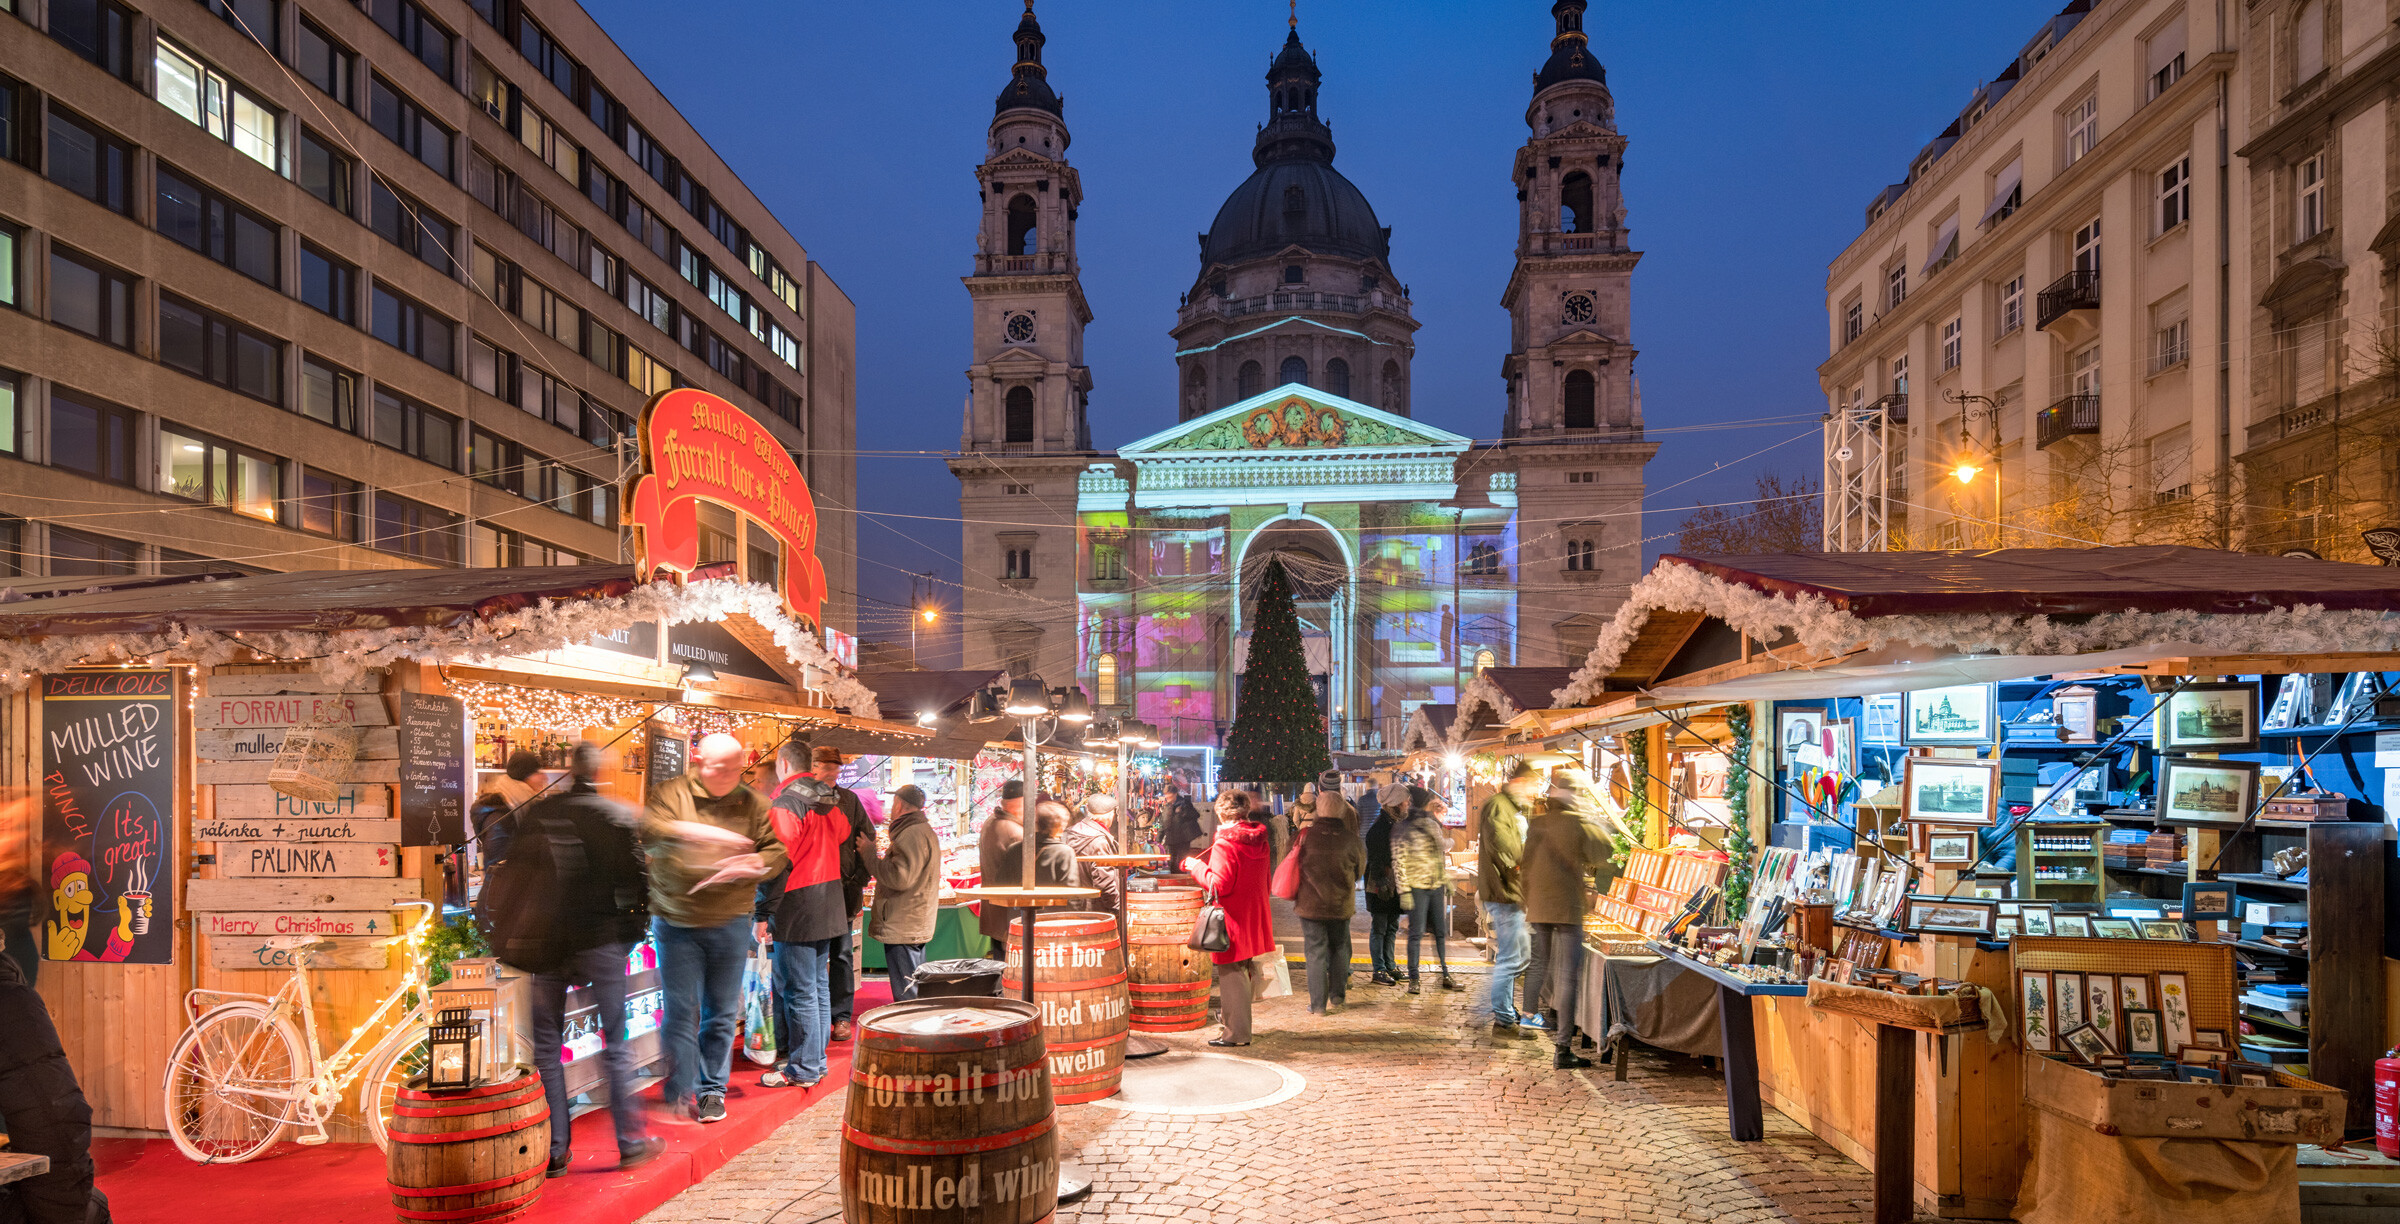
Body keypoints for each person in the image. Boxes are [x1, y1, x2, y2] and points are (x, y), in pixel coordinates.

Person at [526, 744, 663, 1173]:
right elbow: (639, 882)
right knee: (615, 1043)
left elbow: (511, 875)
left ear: (567, 770)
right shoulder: (615, 816)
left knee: (547, 1050)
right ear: (599, 771)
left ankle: (555, 1151)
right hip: (601, 940)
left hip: (546, 946)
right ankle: (629, 1143)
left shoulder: (539, 814)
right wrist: (628, 938)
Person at [641, 732, 784, 1125]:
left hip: (730, 918)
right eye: (720, 768)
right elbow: (650, 829)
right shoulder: (671, 794)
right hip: (676, 918)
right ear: (699, 760)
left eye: (736, 769)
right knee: (679, 1011)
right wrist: (697, 832)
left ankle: (711, 1091)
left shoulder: (754, 802)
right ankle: (679, 1084)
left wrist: (754, 864)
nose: (728, 777)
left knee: (720, 1013)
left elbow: (775, 850)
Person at [755, 742, 854, 1090]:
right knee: (815, 985)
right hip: (829, 900)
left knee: (800, 991)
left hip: (797, 903)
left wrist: (762, 912)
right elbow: (843, 834)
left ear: (783, 764)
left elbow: (776, 862)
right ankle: (816, 1059)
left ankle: (804, 1067)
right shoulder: (826, 800)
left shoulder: (786, 802)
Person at [0, 934, 111, 1222]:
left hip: (42, 1163)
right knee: (90, 1206)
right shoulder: (12, 1000)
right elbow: (55, 1116)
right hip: (50, 1173)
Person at [1522, 770, 1618, 1069]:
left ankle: (1533, 1017)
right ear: (1574, 795)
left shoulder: (1537, 823)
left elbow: (1525, 866)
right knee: (1567, 977)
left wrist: (1531, 899)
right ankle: (1563, 1048)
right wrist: (1592, 818)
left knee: (1541, 965)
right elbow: (1604, 852)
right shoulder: (1577, 822)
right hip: (1566, 909)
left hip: (1539, 907)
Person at [1181, 790, 1273, 1047]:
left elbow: (1219, 884)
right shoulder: (1260, 839)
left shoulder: (1225, 843)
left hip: (1231, 916)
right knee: (1242, 969)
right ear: (1245, 812)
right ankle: (1236, 1021)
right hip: (1254, 912)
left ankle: (1236, 1033)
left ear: (1220, 813)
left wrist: (1196, 866)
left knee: (1232, 973)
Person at [811, 746, 877, 1043]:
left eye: (835, 768)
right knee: (811, 957)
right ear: (812, 767)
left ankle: (840, 1017)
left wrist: (858, 878)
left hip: (841, 889)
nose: (831, 773)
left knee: (840, 954)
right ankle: (813, 1017)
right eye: (825, 767)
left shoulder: (849, 800)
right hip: (808, 891)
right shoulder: (801, 799)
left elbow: (867, 839)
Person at [1478, 762, 1543, 1035]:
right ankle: (1504, 1014)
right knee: (1512, 957)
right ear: (1519, 782)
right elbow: (1505, 850)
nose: (1533, 793)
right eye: (1531, 786)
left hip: (1509, 892)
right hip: (1505, 893)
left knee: (1517, 955)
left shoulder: (1507, 807)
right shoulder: (1499, 806)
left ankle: (1505, 1010)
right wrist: (1518, 870)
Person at [1289, 787, 1365, 1015]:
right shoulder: (1352, 840)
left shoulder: (1304, 837)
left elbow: (1290, 864)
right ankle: (1338, 997)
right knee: (1340, 948)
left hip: (1310, 905)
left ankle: (1318, 1004)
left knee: (1315, 952)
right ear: (1342, 812)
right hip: (1341, 904)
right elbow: (1359, 871)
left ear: (1318, 811)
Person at [866, 785, 940, 1002]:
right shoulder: (918, 830)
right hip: (911, 920)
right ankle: (914, 1026)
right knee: (913, 982)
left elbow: (900, 878)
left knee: (908, 991)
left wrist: (870, 857)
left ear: (899, 804)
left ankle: (910, 1030)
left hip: (904, 922)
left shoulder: (911, 834)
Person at [1395, 785, 1461, 995]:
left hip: (1426, 885)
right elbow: (1439, 849)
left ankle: (1427, 977)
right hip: (1423, 887)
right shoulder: (1423, 825)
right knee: (1431, 933)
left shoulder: (1404, 826)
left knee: (1424, 934)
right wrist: (1404, 890)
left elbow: (1401, 860)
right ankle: (1434, 975)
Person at [1361, 783, 1405, 985]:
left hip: (1394, 884)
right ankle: (1379, 969)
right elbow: (1377, 860)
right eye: (1404, 801)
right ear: (1395, 803)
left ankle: (1390, 964)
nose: (1407, 804)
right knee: (1379, 927)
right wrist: (1383, 884)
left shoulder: (1395, 824)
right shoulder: (1380, 828)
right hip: (1381, 886)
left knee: (1392, 926)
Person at [470, 750, 546, 866]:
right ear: (524, 777)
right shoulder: (502, 814)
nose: (543, 777)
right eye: (536, 772)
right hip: (508, 883)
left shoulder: (522, 806)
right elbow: (496, 868)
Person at [975, 779, 1027, 943]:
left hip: (995, 911)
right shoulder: (1015, 832)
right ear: (1021, 804)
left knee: (1000, 960)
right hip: (1010, 913)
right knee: (1011, 964)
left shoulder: (990, 822)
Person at [1065, 794, 1125, 933]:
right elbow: (1104, 882)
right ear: (1110, 815)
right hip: (1096, 909)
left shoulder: (1070, 832)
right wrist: (1116, 908)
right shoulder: (1099, 842)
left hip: (1073, 904)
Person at [1159, 779, 1209, 870]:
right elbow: (1162, 823)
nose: (1166, 796)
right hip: (1171, 837)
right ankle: (1174, 877)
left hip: (1183, 838)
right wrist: (1158, 839)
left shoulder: (1184, 803)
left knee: (1181, 859)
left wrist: (1183, 812)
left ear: (1174, 794)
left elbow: (1195, 815)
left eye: (1168, 794)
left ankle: (1180, 877)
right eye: (1165, 794)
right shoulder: (1166, 806)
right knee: (1172, 860)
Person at [1031, 800, 1079, 888]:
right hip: (1052, 901)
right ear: (1060, 827)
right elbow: (1071, 890)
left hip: (1018, 901)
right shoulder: (1064, 852)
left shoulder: (1015, 849)